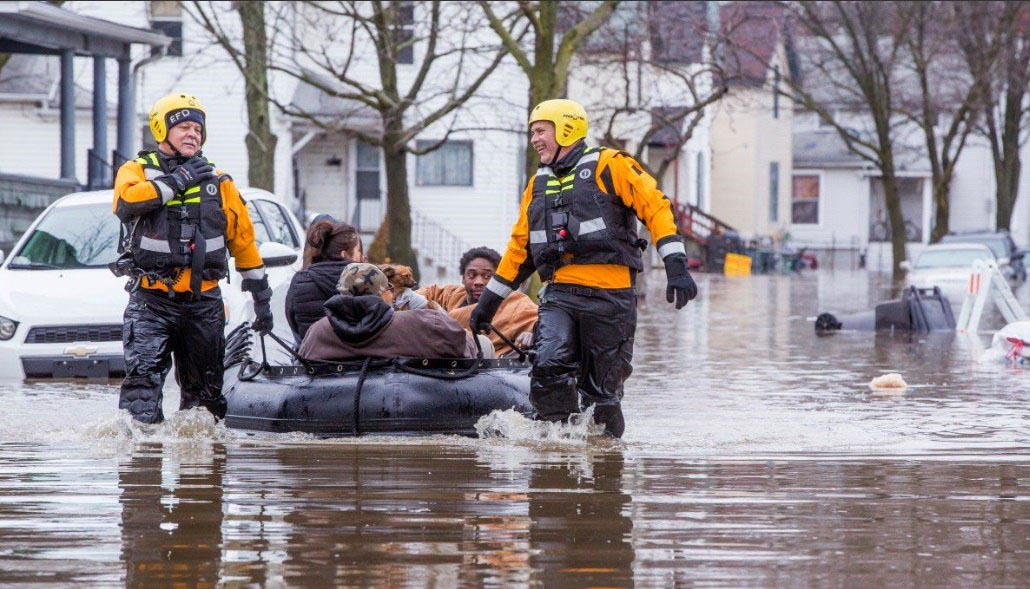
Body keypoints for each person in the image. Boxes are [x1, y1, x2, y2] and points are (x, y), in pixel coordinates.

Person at [469, 99, 698, 438]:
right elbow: (520, 249)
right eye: (532, 132)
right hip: (559, 296)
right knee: (547, 368)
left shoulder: (611, 165)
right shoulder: (537, 185)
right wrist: (487, 304)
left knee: (602, 396)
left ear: (566, 129)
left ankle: (606, 470)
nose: (534, 139)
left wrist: (676, 264)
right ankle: (555, 457)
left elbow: (657, 208)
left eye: (540, 131)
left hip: (611, 299)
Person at [112, 92, 273, 424]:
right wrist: (179, 180)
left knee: (205, 401)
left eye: (197, 130)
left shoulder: (220, 182)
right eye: (183, 127)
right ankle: (143, 463)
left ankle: (201, 471)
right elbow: (126, 202)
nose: (192, 134)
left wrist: (262, 298)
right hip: (150, 302)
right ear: (162, 131)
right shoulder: (136, 171)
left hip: (203, 303)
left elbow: (243, 241)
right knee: (142, 392)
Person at [299, 263, 478, 361]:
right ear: (383, 293)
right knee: (483, 343)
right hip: (412, 403)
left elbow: (303, 366)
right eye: (388, 289)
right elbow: (464, 346)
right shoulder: (423, 323)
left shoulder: (316, 332)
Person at [419, 246, 537, 356]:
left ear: (498, 279)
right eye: (472, 275)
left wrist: (530, 335)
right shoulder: (455, 295)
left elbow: (541, 323)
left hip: (489, 370)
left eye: (487, 276)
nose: (478, 282)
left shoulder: (515, 303)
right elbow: (427, 293)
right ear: (463, 279)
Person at [284, 219, 363, 342]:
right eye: (358, 251)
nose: (362, 257)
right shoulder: (366, 280)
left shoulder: (299, 281)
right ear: (344, 254)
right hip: (362, 358)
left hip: (313, 357)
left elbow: (293, 323)